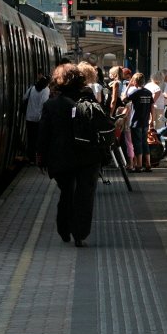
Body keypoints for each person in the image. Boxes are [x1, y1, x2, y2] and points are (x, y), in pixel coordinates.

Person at [36, 63, 102, 247]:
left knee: (67, 192)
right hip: (88, 156)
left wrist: (40, 157)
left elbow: (43, 134)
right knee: (84, 195)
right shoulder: (89, 99)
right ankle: (80, 233)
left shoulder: (51, 105)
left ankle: (64, 228)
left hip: (61, 157)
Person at [122, 72, 156, 172]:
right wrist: (152, 120)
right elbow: (152, 107)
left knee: (137, 143)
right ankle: (148, 164)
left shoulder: (136, 92)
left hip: (136, 122)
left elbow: (124, 99)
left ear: (135, 82)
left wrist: (128, 86)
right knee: (144, 142)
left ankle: (139, 165)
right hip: (145, 121)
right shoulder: (148, 92)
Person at [23, 73, 50, 164]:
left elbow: (24, 98)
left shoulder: (32, 89)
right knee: (39, 139)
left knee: (31, 138)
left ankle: (31, 158)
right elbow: (44, 103)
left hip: (29, 117)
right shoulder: (46, 90)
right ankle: (38, 159)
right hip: (39, 119)